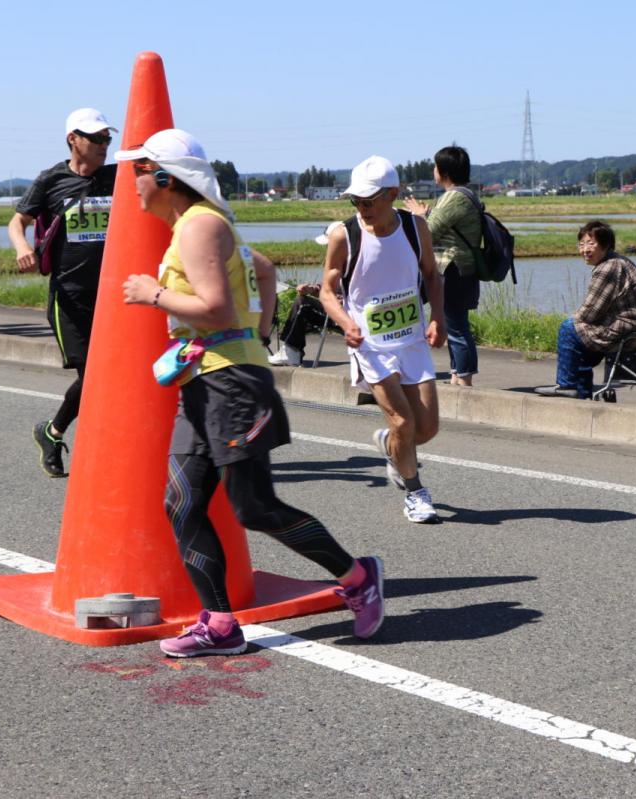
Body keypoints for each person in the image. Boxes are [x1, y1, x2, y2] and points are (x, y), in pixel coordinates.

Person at [116, 128, 385, 656]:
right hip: (203, 380)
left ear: (166, 178)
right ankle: (219, 624)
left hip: (230, 385)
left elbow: (216, 308)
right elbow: (263, 269)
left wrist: (155, 294)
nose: (132, 182)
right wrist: (258, 335)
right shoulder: (201, 224)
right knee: (182, 503)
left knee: (254, 507)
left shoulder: (200, 226)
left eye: (138, 170)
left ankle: (357, 577)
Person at [318, 156, 447, 524]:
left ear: (392, 193)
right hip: (369, 345)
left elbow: (432, 275)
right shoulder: (345, 235)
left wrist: (438, 317)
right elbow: (327, 290)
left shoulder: (414, 228)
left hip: (410, 340)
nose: (362, 208)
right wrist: (346, 323)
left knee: (426, 428)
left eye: (369, 200)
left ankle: (392, 447)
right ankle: (415, 493)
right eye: (356, 201)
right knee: (403, 423)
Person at [8, 108, 118, 478]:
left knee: (108, 378)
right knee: (94, 378)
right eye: (96, 138)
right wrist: (22, 247)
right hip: (70, 297)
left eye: (107, 138)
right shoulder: (51, 179)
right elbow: (17, 221)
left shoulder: (116, 176)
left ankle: (53, 433)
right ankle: (63, 437)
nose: (104, 144)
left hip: (112, 297)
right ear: (73, 139)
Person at [534, 220, 636, 399]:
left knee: (568, 328)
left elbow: (589, 313)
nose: (585, 250)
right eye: (581, 244)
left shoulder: (608, 268)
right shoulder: (617, 261)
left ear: (605, 245)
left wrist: (574, 320)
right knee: (578, 333)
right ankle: (581, 394)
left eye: (591, 244)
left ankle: (567, 385)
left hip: (630, 334)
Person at [404, 145, 482, 387]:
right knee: (452, 323)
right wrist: (427, 213)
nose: (433, 170)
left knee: (456, 325)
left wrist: (418, 215)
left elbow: (428, 232)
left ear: (444, 171)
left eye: (435, 166)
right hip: (457, 267)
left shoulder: (454, 197)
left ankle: (464, 380)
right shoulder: (463, 195)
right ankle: (457, 376)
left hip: (453, 268)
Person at [267, 222, 341, 367]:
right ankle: (290, 350)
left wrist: (328, 297)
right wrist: (312, 289)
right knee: (303, 301)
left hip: (345, 315)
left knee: (303, 304)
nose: (327, 248)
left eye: (329, 245)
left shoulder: (353, 263)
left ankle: (291, 353)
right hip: (334, 309)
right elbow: (329, 287)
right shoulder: (338, 261)